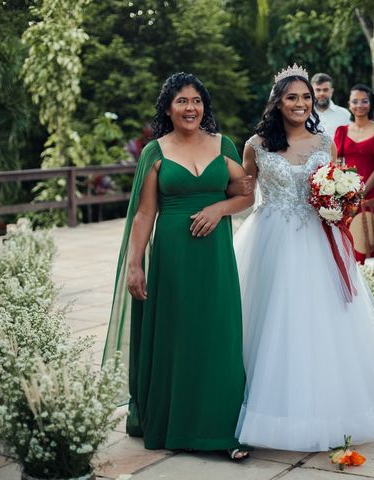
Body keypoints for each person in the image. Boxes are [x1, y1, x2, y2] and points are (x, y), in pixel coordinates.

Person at [234, 65, 374, 452]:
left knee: (321, 322)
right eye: (292, 97)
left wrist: (340, 202)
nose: (300, 103)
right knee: (266, 319)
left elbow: (339, 187)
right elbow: (245, 194)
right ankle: (260, 407)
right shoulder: (255, 145)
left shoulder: (325, 142)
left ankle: (328, 411)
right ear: (277, 102)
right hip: (269, 238)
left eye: (306, 97)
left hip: (317, 239)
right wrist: (212, 206)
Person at [103, 73, 251, 460]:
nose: (191, 108)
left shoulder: (224, 145)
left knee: (218, 333)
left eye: (197, 101)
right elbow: (143, 214)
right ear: (168, 108)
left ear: (205, 106)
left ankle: (221, 429)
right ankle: (176, 425)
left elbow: (246, 194)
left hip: (215, 257)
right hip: (172, 257)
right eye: (182, 101)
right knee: (177, 335)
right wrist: (135, 264)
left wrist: (220, 207)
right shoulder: (156, 151)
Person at [311, 72, 351, 138]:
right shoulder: (306, 115)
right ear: (312, 92)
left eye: (325, 90)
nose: (322, 93)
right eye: (318, 90)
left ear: (331, 91)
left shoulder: (345, 115)